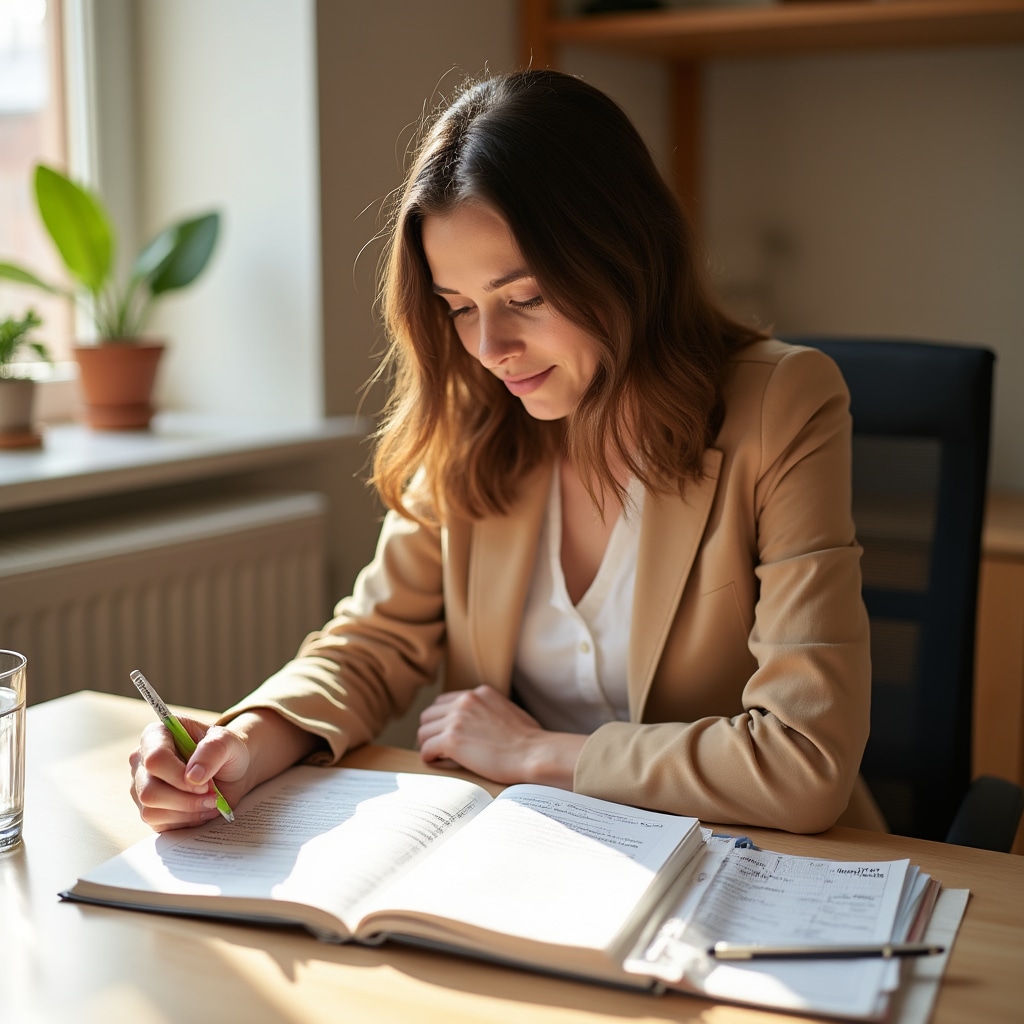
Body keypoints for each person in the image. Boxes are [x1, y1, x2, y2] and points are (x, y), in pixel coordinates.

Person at [130, 69, 885, 836]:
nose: (491, 348)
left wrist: (540, 752)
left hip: (747, 863)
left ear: (624, 257)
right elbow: (374, 641)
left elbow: (803, 761)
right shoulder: (478, 419)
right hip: (530, 856)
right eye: (459, 308)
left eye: (524, 299)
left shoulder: (782, 404)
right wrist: (246, 742)